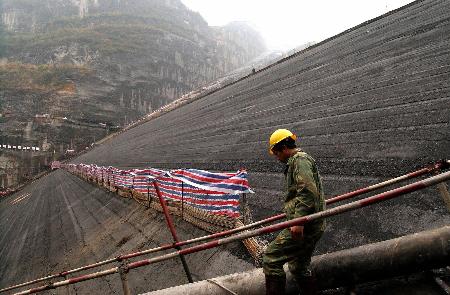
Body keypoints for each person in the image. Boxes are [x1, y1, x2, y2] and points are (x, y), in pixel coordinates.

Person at [263, 129, 326, 295]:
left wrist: (298, 221)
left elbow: (307, 191)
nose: (277, 158)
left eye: (276, 153)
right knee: (298, 266)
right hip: (312, 224)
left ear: (284, 148)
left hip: (307, 225)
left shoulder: (299, 160)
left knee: (271, 258)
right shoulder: (296, 161)